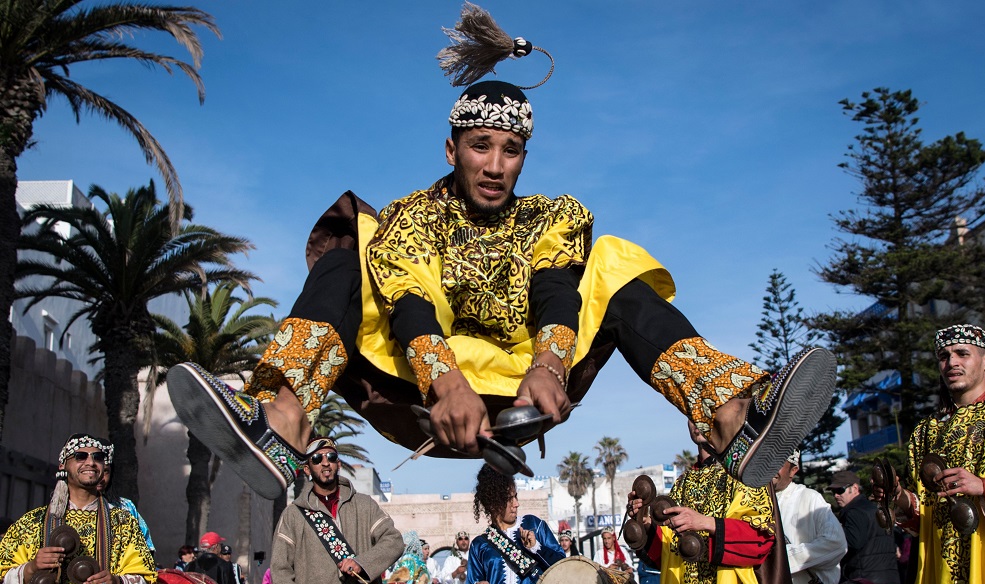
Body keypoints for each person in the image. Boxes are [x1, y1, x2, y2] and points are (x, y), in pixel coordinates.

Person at [165, 3, 836, 502]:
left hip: (525, 390)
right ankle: (281, 428)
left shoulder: (551, 217)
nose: (494, 165)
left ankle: (729, 419)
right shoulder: (414, 216)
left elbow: (553, 285)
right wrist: (445, 382)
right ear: (451, 150)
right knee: (351, 238)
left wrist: (550, 362)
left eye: (510, 149)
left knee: (613, 260)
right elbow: (410, 299)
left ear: (524, 156)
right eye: (479, 146)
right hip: (422, 388)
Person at [873, 324, 985, 584]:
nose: (951, 362)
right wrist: (900, 499)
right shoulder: (925, 432)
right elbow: (925, 515)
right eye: (943, 356)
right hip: (940, 575)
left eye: (962, 354)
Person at [628, 423, 798, 584]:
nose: (696, 421)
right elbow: (669, 556)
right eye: (690, 414)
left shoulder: (746, 474)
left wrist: (705, 523)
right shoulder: (682, 484)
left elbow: (760, 541)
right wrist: (645, 524)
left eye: (705, 411)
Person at [0, 434, 157, 584]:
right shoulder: (31, 523)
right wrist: (31, 568)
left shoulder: (124, 523)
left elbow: (145, 579)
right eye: (80, 456)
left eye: (98, 457)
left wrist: (118, 583)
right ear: (63, 464)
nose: (91, 462)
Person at [270, 437, 403, 584]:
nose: (325, 462)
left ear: (338, 464)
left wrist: (363, 562)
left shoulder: (364, 506)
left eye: (331, 457)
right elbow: (280, 570)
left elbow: (394, 540)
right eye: (317, 458)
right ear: (307, 469)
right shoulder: (293, 515)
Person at [466, 464, 563, 584]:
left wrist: (536, 547)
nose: (516, 503)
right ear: (493, 502)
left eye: (516, 496)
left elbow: (562, 565)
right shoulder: (480, 544)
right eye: (509, 499)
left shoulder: (534, 525)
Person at [772, 449, 846, 584]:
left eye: (777, 463)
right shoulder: (753, 501)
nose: (770, 468)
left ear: (793, 470)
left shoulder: (809, 498)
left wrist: (781, 558)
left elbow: (836, 544)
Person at [826, 470, 899, 584]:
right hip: (890, 580)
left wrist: (837, 533)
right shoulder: (876, 508)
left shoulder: (853, 511)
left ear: (854, 488)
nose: (836, 495)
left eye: (840, 490)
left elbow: (853, 543)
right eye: (833, 492)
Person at [97, 466, 156, 555]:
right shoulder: (70, 506)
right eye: (95, 471)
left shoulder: (125, 506)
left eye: (105, 471)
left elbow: (146, 548)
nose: (100, 476)